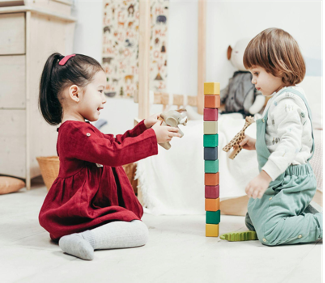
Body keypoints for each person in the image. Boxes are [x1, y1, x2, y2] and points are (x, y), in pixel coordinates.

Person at [38, 53, 181, 260]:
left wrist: (143, 129)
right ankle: (85, 238)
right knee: (139, 232)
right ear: (75, 93)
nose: (104, 99)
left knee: (133, 225)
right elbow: (114, 153)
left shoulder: (82, 129)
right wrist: (151, 137)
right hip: (80, 209)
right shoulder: (74, 132)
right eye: (100, 91)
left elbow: (113, 143)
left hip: (91, 205)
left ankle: (82, 236)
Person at [221, 28, 323, 246]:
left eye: (257, 73)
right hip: (281, 178)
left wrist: (264, 176)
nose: (252, 80)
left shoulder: (287, 103)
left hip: (291, 181)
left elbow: (290, 144)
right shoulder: (279, 99)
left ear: (277, 69)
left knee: (270, 232)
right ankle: (300, 215)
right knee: (252, 219)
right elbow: (279, 140)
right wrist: (257, 144)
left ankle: (318, 224)